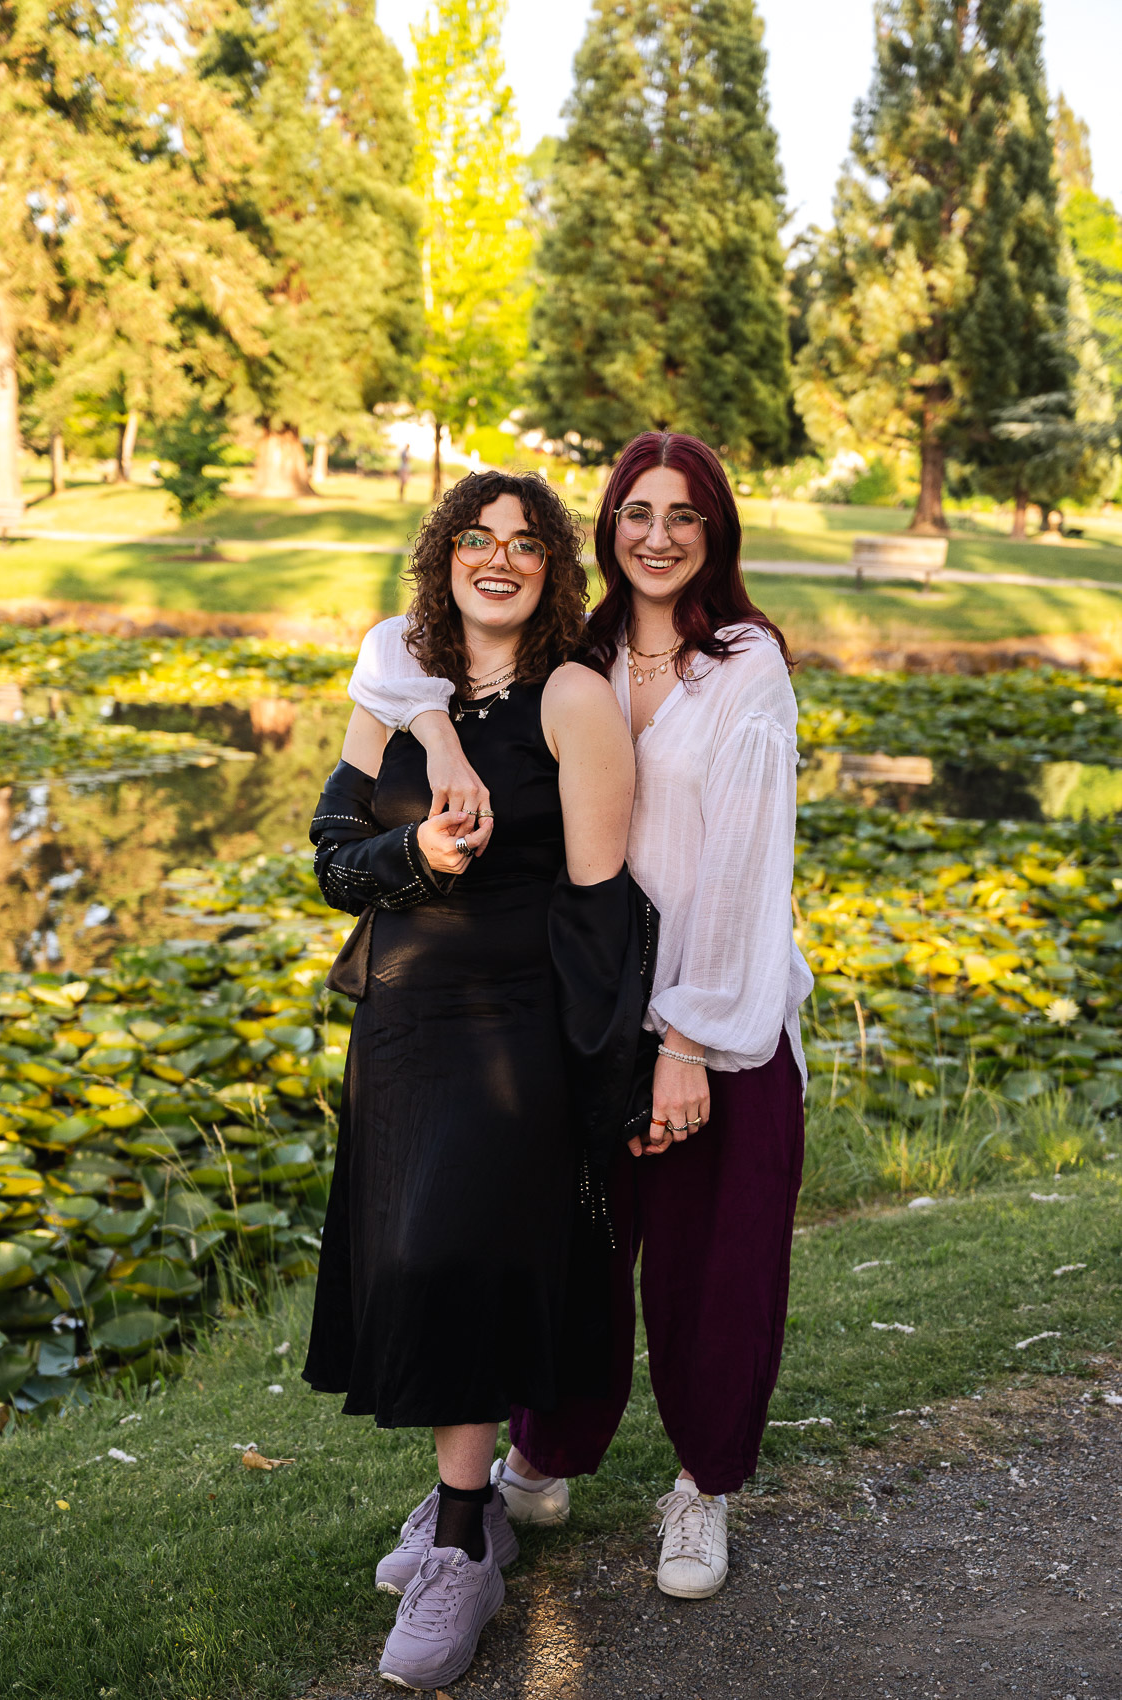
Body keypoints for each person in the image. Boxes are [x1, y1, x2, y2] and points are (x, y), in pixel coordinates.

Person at [348, 430, 812, 1603]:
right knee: (577, 1256)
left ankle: (702, 1488)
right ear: (603, 531)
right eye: (636, 513)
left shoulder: (746, 663)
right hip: (594, 1009)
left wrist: (692, 1041)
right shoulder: (584, 649)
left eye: (684, 516)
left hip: (715, 1017)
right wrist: (445, 740)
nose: (657, 536)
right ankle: (542, 1458)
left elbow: (749, 871)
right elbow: (402, 659)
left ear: (715, 534)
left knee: (711, 1270)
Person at [303, 470, 652, 1689]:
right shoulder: (398, 683)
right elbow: (335, 854)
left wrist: (603, 1070)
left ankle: (461, 1541)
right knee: (408, 1255)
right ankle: (472, 1507)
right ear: (441, 556)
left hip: (512, 1038)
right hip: (401, 1026)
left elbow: (604, 902)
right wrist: (417, 850)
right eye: (476, 539)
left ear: (555, 570)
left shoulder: (571, 697)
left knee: (457, 1252)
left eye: (526, 545)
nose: (499, 560)